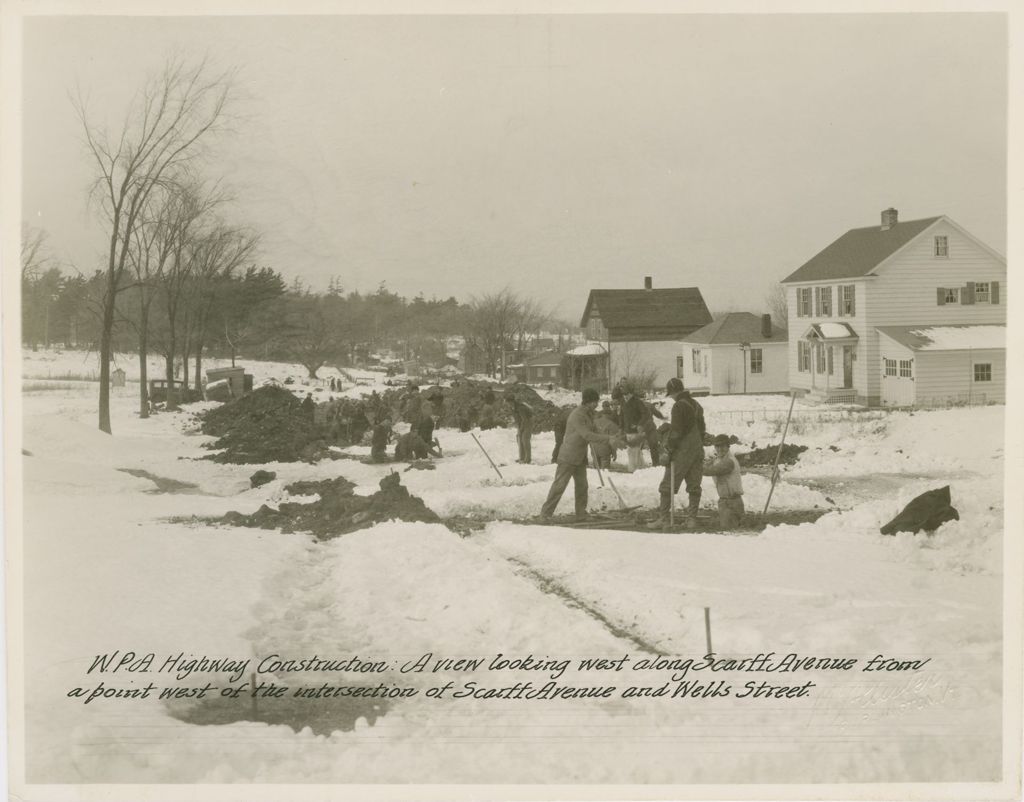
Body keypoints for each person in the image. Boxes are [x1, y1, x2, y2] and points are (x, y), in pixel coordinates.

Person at [539, 388, 625, 521]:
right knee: (559, 486)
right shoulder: (577, 415)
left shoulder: (589, 414)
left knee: (582, 486)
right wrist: (608, 439)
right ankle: (545, 514)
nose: (596, 404)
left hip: (580, 457)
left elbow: (595, 430)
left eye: (597, 402)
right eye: (594, 402)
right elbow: (586, 434)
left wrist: (613, 436)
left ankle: (581, 513)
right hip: (568, 457)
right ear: (587, 401)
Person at [648, 378, 706, 529]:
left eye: (671, 394)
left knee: (667, 485)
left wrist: (668, 450)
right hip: (698, 449)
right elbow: (702, 430)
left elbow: (676, 432)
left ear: (673, 392)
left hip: (683, 450)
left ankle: (664, 518)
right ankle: (692, 519)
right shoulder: (697, 405)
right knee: (694, 485)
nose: (671, 397)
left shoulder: (678, 406)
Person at [702, 434, 744, 529]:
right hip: (724, 502)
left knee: (729, 532)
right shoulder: (718, 460)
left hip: (732, 503)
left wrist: (694, 466)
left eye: (723, 446)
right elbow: (707, 466)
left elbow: (710, 471)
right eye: (717, 446)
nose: (720, 449)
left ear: (728, 447)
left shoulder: (729, 461)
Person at [508, 395, 534, 464]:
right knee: (519, 438)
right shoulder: (512, 407)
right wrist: (518, 426)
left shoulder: (520, 408)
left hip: (528, 422)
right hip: (522, 422)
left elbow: (525, 419)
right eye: (508, 403)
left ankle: (527, 459)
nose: (508, 404)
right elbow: (518, 418)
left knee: (525, 440)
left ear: (512, 401)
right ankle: (522, 457)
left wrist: (521, 429)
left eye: (510, 402)